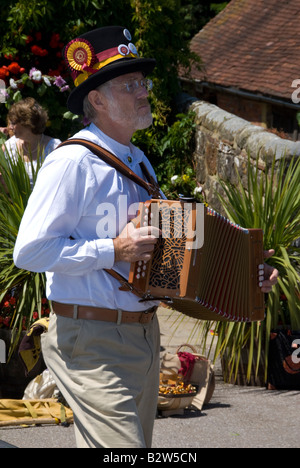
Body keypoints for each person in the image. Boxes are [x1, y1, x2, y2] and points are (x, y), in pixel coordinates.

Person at [13, 26, 279, 448]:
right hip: (90, 339)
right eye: (129, 84)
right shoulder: (72, 163)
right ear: (96, 100)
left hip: (143, 336)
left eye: (143, 82)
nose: (143, 91)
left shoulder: (140, 164)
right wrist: (114, 249)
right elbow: (28, 251)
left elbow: (171, 265)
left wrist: (247, 274)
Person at [2, 97, 61, 184]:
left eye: (13, 123)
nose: (10, 127)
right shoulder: (8, 147)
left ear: (27, 123)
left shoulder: (54, 148)